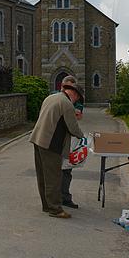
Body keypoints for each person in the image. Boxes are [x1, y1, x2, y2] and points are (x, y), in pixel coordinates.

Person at [30, 82, 85, 218]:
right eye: (77, 98)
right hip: (51, 143)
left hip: (38, 139)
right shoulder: (66, 103)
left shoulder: (51, 97)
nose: (76, 101)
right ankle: (55, 209)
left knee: (43, 175)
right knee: (54, 177)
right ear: (74, 94)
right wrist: (82, 137)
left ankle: (47, 205)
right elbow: (72, 127)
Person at [58, 75, 84, 209]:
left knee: (66, 170)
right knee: (58, 170)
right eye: (65, 87)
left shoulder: (76, 101)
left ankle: (64, 197)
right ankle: (58, 199)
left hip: (68, 139)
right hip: (57, 140)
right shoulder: (56, 97)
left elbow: (78, 114)